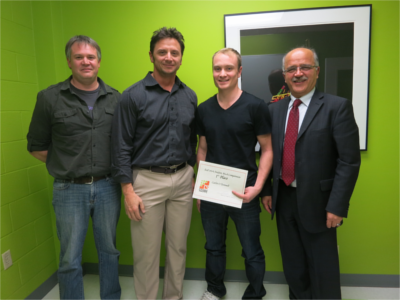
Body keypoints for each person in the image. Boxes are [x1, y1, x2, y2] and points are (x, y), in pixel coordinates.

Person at [27, 35, 121, 300]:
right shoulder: (49, 98)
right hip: (69, 189)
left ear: (99, 62)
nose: (85, 62)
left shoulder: (116, 98)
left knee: (110, 252)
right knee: (69, 257)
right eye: (79, 57)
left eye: (91, 57)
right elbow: (36, 145)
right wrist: (66, 163)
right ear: (69, 61)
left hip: (108, 187)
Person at [263, 47, 361, 300]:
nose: (298, 73)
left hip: (321, 205)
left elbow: (348, 161)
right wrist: (266, 190)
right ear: (284, 76)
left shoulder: (337, 107)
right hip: (283, 200)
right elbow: (267, 154)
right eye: (291, 69)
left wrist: (337, 205)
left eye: (305, 67)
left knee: (323, 271)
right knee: (294, 270)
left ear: (317, 72)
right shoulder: (273, 111)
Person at [111, 27, 197, 300]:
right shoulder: (132, 96)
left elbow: (191, 140)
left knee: (178, 248)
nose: (169, 57)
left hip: (183, 179)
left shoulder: (189, 95)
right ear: (151, 56)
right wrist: (127, 190)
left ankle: (174, 296)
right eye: (162, 52)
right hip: (146, 181)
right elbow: (121, 145)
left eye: (175, 52)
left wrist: (193, 175)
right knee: (147, 254)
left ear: (181, 57)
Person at [196, 48, 273, 300]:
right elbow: (203, 149)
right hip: (211, 194)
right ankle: (215, 289)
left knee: (251, 249)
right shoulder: (204, 109)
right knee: (213, 247)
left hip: (245, 192)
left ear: (239, 71)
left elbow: (268, 149)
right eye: (217, 68)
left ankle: (255, 293)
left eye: (228, 68)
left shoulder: (255, 106)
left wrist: (259, 187)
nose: (222, 73)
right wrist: (200, 190)